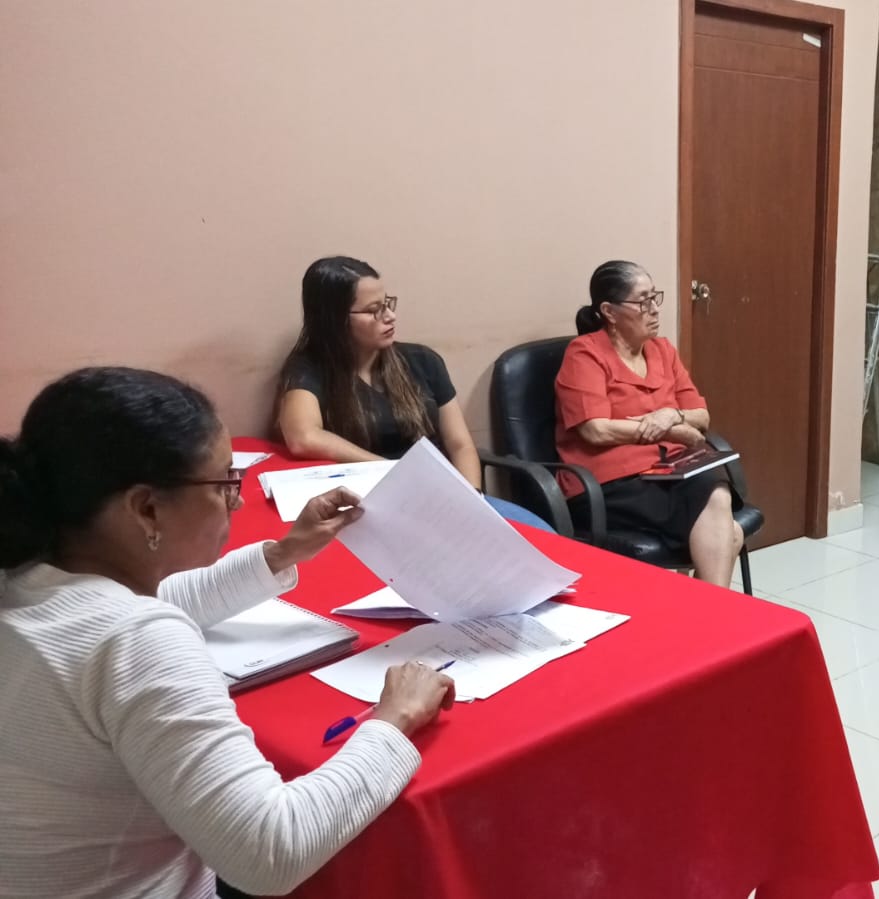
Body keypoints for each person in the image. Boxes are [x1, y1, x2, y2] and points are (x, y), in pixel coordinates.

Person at [0, 367, 456, 898]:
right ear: (146, 509)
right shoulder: (134, 639)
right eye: (223, 485)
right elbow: (271, 852)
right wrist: (395, 720)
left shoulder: (24, 577)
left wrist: (284, 552)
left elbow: (149, 601)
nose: (237, 502)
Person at [276, 256, 552, 531]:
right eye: (374, 310)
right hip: (375, 507)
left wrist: (472, 498)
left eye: (387, 303)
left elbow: (460, 444)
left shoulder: (422, 360)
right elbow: (303, 437)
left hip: (443, 496)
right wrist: (394, 470)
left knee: (542, 534)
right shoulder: (309, 369)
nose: (390, 316)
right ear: (335, 320)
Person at [554, 260, 745, 588]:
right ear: (609, 312)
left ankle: (704, 611)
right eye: (643, 302)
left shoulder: (662, 350)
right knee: (725, 522)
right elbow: (595, 429)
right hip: (608, 483)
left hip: (667, 473)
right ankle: (714, 611)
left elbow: (701, 416)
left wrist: (672, 414)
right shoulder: (584, 354)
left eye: (655, 297)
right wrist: (672, 430)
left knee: (718, 501)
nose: (654, 309)